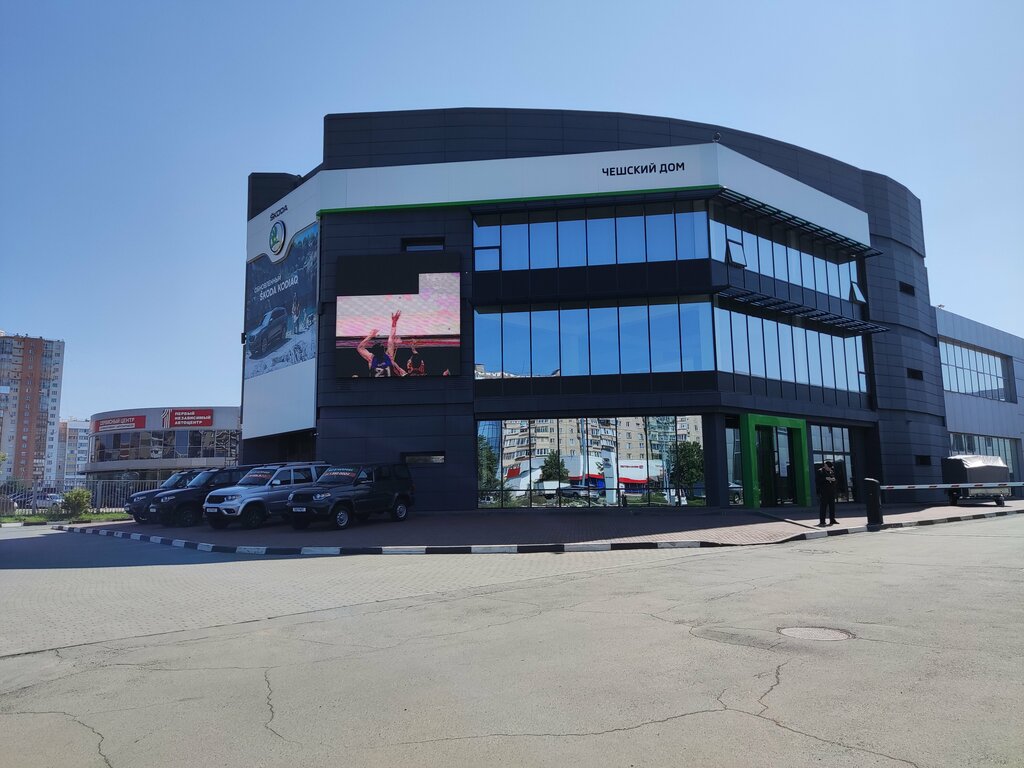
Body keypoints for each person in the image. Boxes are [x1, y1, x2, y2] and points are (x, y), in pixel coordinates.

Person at [356, 310, 407, 377]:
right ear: (384, 350)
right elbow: (391, 339)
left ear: (373, 352)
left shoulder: (371, 358)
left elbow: (360, 348)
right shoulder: (389, 357)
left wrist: (370, 336)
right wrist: (394, 322)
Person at [816, 460, 838, 526]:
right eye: (825, 465)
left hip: (831, 491)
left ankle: (832, 520)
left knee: (832, 506)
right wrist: (825, 478)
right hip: (824, 492)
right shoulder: (820, 471)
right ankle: (822, 521)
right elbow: (817, 481)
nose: (825, 467)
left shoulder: (831, 471)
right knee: (823, 507)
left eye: (827, 466)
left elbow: (835, 480)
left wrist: (833, 480)